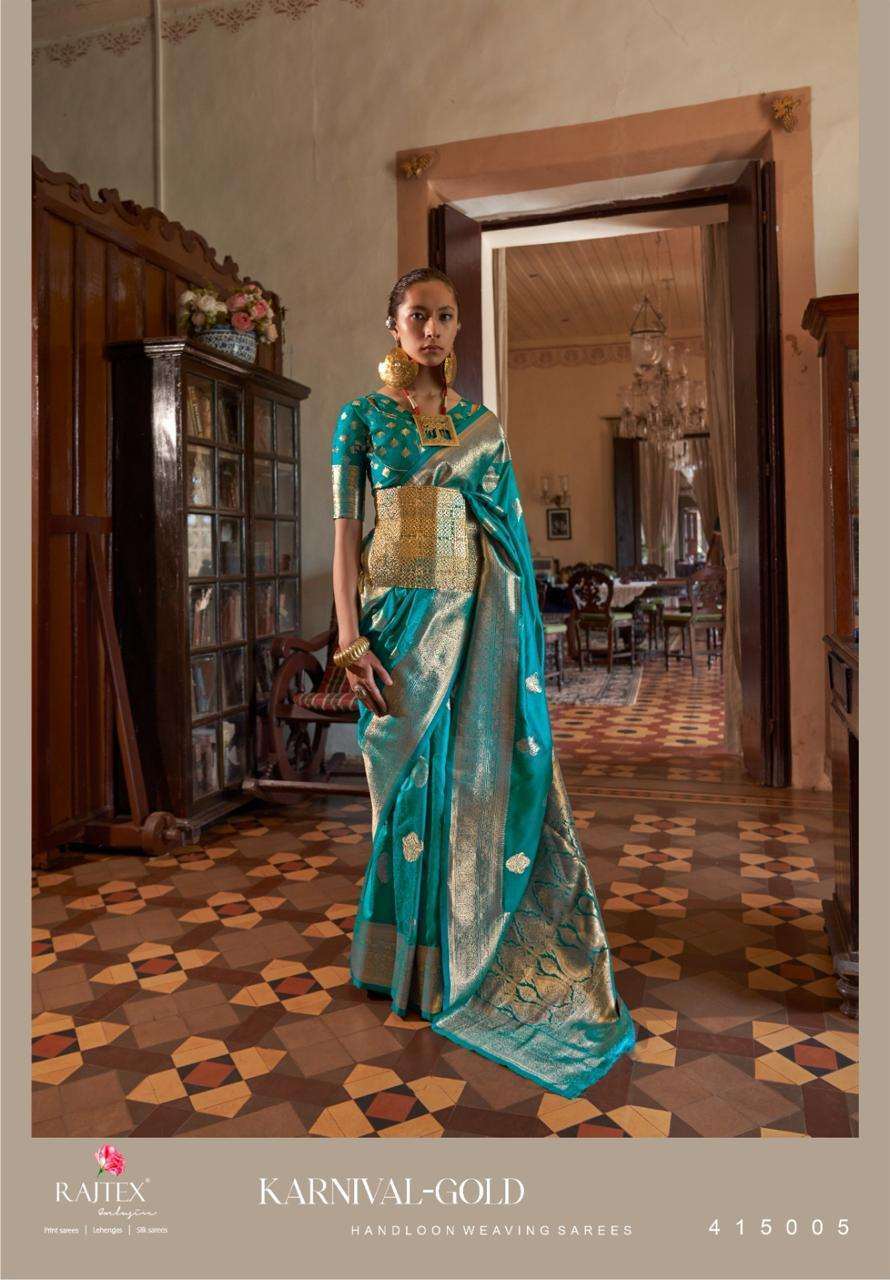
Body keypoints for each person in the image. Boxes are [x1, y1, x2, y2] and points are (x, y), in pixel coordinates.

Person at [329, 267, 635, 1098]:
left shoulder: (481, 427)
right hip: (395, 622)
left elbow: (505, 533)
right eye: (417, 316)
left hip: (475, 623)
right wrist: (351, 642)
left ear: (458, 326)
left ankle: (459, 960)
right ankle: (402, 963)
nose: (431, 330)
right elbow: (347, 536)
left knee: (469, 788)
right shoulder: (361, 417)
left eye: (445, 316)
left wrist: (501, 621)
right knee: (405, 790)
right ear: (393, 324)